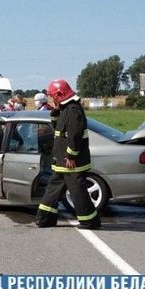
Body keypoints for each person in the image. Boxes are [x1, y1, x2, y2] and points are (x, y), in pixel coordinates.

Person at [35, 79, 101, 229]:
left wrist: (71, 156)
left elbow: (75, 136)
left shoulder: (74, 111)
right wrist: (55, 110)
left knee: (78, 193)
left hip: (71, 162)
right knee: (52, 190)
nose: (52, 99)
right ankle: (46, 219)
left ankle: (90, 221)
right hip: (61, 161)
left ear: (60, 94)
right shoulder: (65, 109)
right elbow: (56, 126)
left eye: (53, 96)